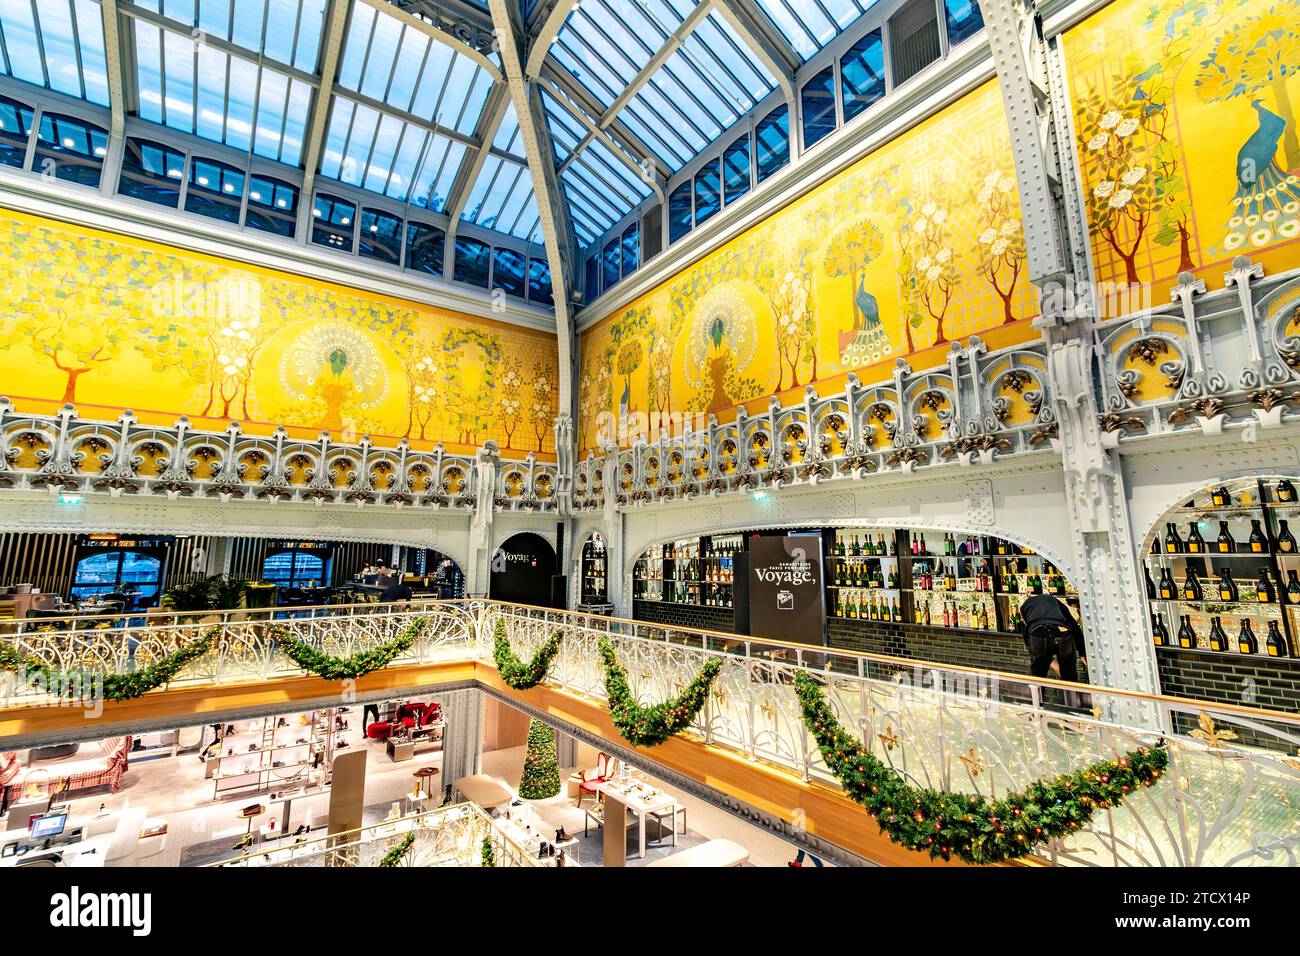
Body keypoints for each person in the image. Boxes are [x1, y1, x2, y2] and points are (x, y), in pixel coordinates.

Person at [1019, 593, 1086, 681]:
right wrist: (1082, 652)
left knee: (1038, 675)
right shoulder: (1055, 601)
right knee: (1069, 674)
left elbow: (1026, 629)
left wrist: (1030, 647)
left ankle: (1038, 693)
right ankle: (1072, 694)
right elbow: (1074, 625)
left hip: (1038, 634)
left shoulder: (1026, 605)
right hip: (1062, 632)